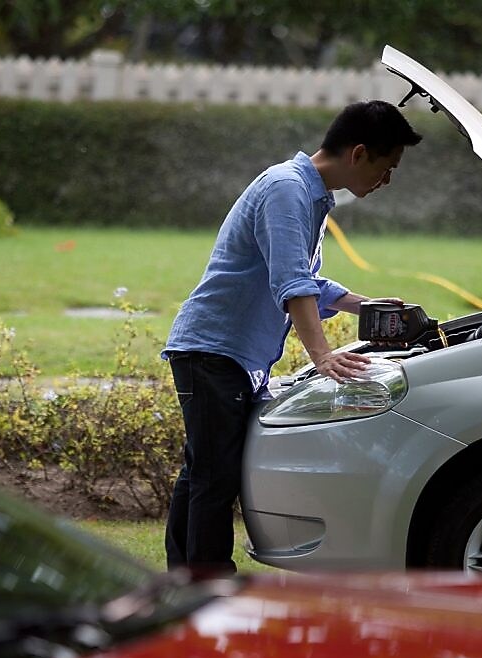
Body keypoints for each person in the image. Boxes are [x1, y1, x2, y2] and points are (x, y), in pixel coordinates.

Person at [161, 100, 422, 574]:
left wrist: (370, 306)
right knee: (214, 478)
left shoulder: (308, 193)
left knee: (203, 473)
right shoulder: (287, 190)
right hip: (213, 350)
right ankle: (206, 584)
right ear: (359, 153)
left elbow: (308, 282)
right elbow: (292, 283)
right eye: (387, 169)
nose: (386, 182)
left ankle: (186, 579)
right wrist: (321, 355)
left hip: (226, 354)